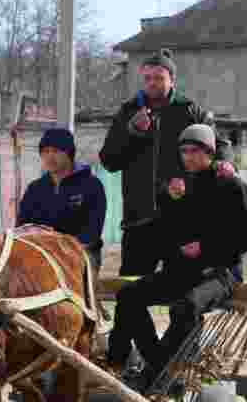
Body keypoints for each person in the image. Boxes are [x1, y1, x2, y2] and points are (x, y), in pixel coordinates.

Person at [106, 124, 247, 396]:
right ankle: (129, 364)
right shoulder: (180, 187)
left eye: (194, 151)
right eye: (184, 151)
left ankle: (156, 374)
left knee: (186, 307)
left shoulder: (233, 186)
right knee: (129, 296)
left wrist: (205, 249)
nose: (188, 157)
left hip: (220, 273)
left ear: (210, 152)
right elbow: (168, 234)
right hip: (182, 271)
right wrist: (168, 202)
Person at [98, 48, 237, 277]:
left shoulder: (189, 110)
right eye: (147, 78)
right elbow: (109, 161)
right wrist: (131, 132)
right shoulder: (128, 111)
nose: (152, 83)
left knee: (183, 291)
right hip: (138, 220)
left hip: (182, 219)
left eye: (159, 78)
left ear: (172, 80)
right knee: (130, 295)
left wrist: (226, 163)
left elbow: (219, 144)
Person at [17, 127, 107, 273]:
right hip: (43, 253)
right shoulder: (35, 189)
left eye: (56, 151)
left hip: (81, 253)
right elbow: (22, 227)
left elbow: (93, 230)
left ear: (70, 154)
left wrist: (65, 249)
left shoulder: (91, 185)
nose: (50, 157)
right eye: (45, 152)